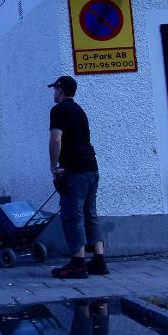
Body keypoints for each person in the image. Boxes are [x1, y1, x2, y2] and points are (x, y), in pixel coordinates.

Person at [48, 75, 108, 279]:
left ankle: (77, 262)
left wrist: (54, 166)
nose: (54, 93)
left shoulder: (58, 110)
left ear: (61, 89)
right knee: (91, 213)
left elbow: (56, 139)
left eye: (55, 89)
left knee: (73, 215)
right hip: (91, 166)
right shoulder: (79, 110)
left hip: (75, 170)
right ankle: (99, 260)